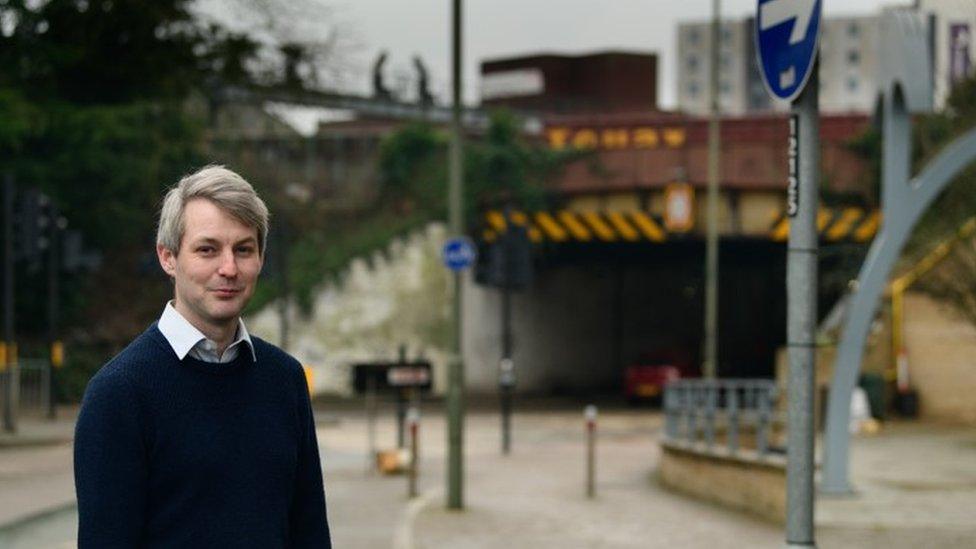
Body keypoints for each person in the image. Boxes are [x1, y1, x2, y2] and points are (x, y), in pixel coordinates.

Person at [74, 166, 332, 548]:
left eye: (243, 249)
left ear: (260, 258)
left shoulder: (285, 379)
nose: (228, 269)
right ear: (168, 257)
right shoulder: (119, 394)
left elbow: (310, 534)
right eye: (207, 249)